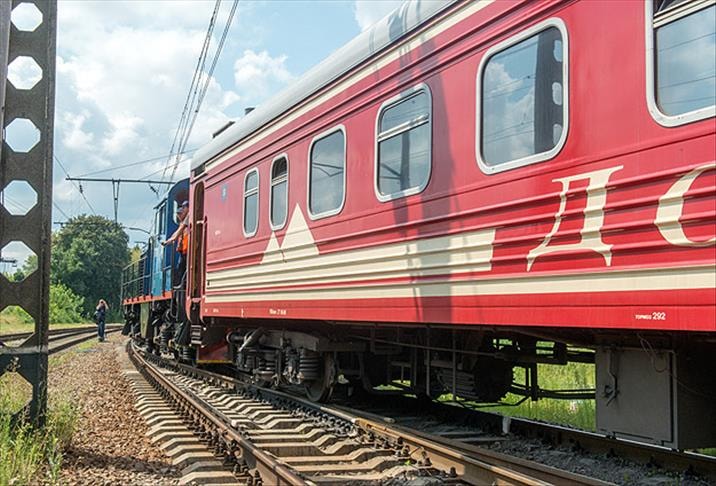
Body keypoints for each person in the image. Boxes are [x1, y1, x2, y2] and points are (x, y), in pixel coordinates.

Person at [162, 200, 190, 288]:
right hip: (184, 250)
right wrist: (170, 239)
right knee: (180, 267)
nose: (178, 215)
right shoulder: (183, 222)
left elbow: (177, 234)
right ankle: (181, 284)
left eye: (183, 208)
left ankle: (182, 285)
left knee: (182, 267)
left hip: (187, 250)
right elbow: (177, 232)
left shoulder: (189, 217)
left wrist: (169, 241)